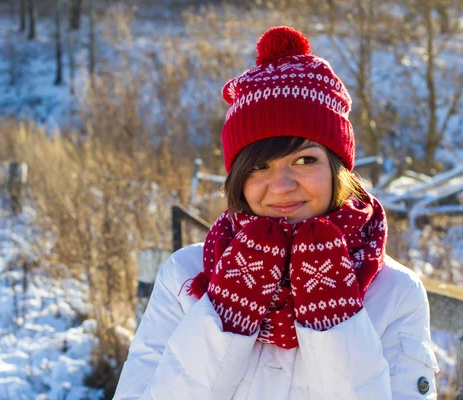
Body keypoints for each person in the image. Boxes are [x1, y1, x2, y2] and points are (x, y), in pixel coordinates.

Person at [113, 26, 439, 400]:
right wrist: (225, 317)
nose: (281, 185)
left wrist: (333, 324)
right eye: (259, 166)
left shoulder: (396, 292)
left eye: (304, 159)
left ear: (338, 169)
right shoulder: (186, 277)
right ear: (237, 178)